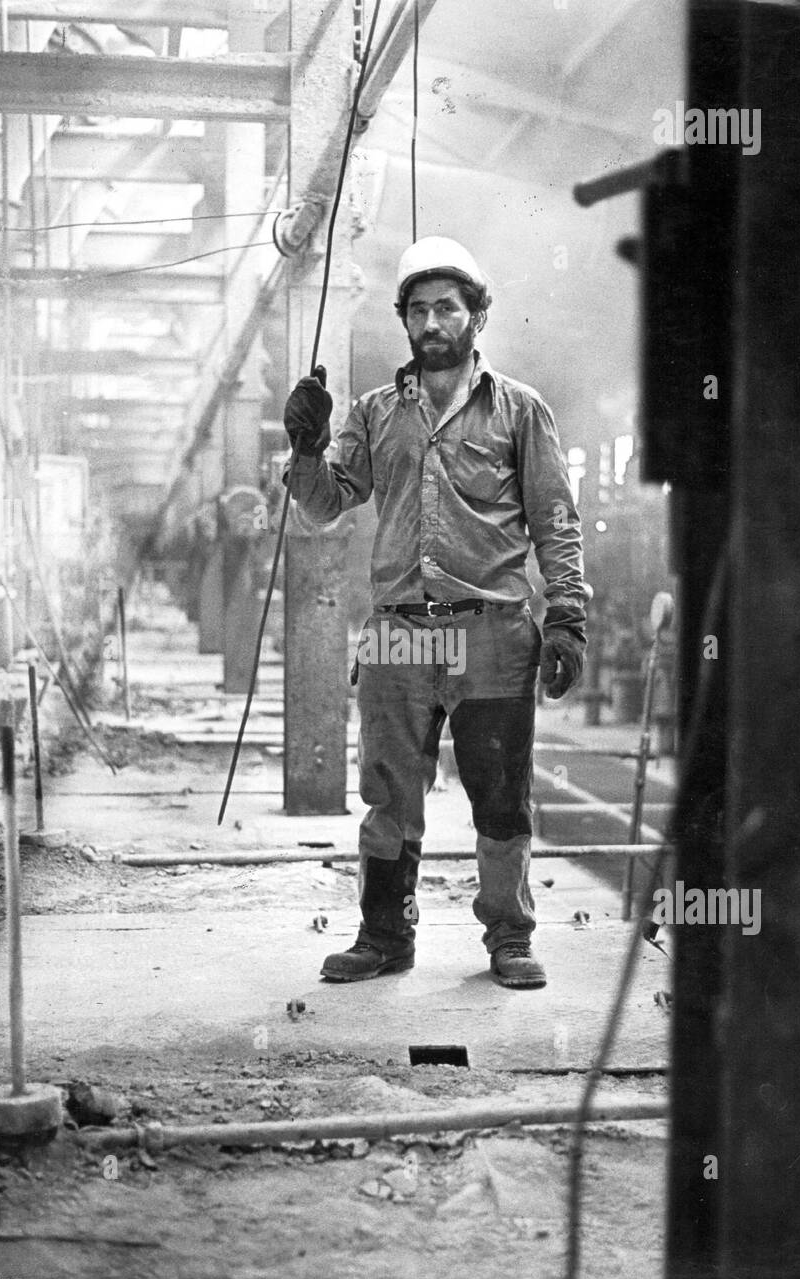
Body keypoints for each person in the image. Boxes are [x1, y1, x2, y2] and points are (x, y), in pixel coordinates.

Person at [283, 236, 588, 989]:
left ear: (477, 316)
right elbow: (325, 507)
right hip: (399, 633)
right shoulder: (375, 412)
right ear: (405, 321)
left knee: (499, 792)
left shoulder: (519, 411)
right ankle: (386, 935)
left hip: (493, 631)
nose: (431, 322)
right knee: (389, 790)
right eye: (417, 310)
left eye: (446, 307)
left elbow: (555, 518)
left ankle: (509, 939)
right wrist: (306, 450)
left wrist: (567, 617)